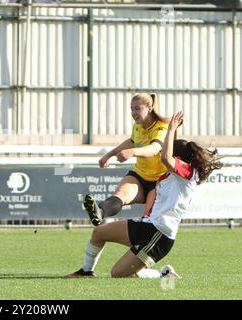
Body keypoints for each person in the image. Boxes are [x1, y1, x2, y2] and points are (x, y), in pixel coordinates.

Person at [67, 111, 223, 278]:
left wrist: (170, 130)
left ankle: (164, 274)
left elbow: (165, 157)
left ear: (179, 158)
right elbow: (171, 151)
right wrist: (175, 130)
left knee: (117, 273)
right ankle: (86, 271)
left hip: (160, 234)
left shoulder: (188, 172)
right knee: (99, 233)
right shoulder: (178, 173)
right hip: (147, 225)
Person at [84, 93, 169, 226]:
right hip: (140, 175)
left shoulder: (162, 127)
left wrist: (133, 152)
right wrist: (109, 154)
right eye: (131, 109)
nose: (133, 113)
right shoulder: (137, 126)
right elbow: (131, 141)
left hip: (160, 181)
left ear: (150, 108)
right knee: (120, 194)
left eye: (137, 108)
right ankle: (100, 212)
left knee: (148, 220)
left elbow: (154, 149)